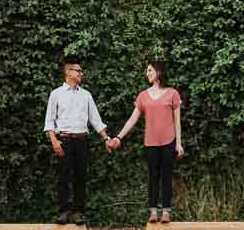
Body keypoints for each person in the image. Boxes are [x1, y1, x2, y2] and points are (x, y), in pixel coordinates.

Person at [108, 60, 184, 223]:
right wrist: (118, 137)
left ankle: (166, 211)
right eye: (147, 71)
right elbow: (132, 120)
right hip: (150, 143)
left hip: (169, 142)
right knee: (153, 177)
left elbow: (177, 121)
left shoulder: (173, 93)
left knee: (166, 176)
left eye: (150, 70)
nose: (147, 73)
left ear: (159, 72)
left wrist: (178, 143)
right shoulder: (143, 96)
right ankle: (153, 211)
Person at [43, 56, 115, 225]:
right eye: (78, 70)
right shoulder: (56, 94)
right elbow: (49, 122)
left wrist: (107, 138)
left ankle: (78, 212)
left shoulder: (86, 95)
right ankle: (64, 211)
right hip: (64, 141)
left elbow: (96, 120)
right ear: (68, 72)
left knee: (80, 177)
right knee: (63, 178)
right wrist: (54, 141)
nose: (81, 73)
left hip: (82, 140)